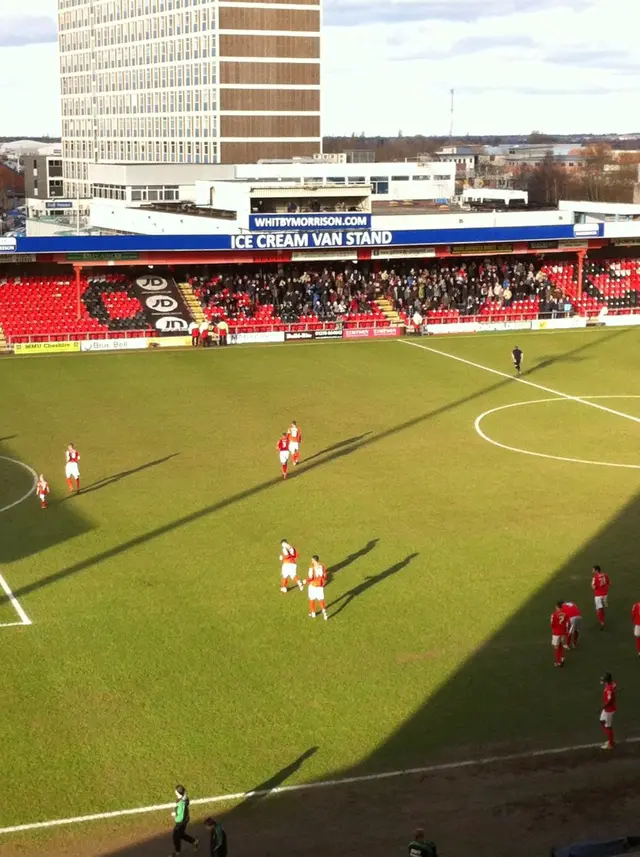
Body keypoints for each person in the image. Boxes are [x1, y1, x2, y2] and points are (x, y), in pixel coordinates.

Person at [170, 784, 198, 855]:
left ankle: (177, 852)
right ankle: (194, 841)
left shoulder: (181, 803)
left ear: (178, 792)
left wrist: (175, 815)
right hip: (185, 819)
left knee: (176, 836)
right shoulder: (183, 798)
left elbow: (181, 816)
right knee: (181, 834)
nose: (175, 791)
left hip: (181, 822)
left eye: (176, 790)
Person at [307, 555, 328, 620]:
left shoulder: (311, 568)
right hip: (320, 586)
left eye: (312, 560)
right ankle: (325, 614)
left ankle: (313, 613)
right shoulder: (322, 566)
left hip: (313, 586)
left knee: (312, 599)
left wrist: (305, 581)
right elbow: (325, 577)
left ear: (314, 560)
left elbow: (310, 578)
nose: (311, 561)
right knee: (321, 600)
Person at [600, 672, 616, 750]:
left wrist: (602, 707)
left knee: (608, 727)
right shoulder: (610, 685)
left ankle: (610, 744)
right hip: (606, 709)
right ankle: (611, 740)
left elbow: (609, 700)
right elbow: (614, 684)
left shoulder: (609, 688)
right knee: (602, 722)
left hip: (609, 710)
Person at [550, 601, 569, 667]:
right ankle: (562, 658)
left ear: (557, 607)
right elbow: (568, 623)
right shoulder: (566, 614)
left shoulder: (554, 614)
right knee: (561, 646)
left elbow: (552, 624)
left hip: (556, 633)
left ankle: (558, 662)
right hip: (563, 633)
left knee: (556, 647)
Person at [591, 564, 610, 630]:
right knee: (602, 607)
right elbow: (608, 583)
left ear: (596, 570)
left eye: (593, 569)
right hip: (605, 594)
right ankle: (603, 615)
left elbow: (594, 587)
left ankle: (602, 622)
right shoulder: (605, 575)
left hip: (598, 595)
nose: (592, 571)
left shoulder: (595, 577)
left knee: (598, 609)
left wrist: (594, 587)